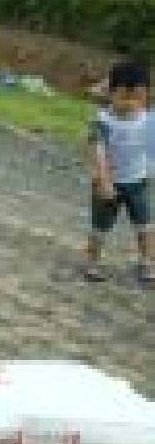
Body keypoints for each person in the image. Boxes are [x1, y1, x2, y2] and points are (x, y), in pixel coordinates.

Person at [86, 61, 153, 282]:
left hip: (138, 182)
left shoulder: (147, 119)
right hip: (108, 182)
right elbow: (98, 151)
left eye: (139, 97)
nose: (132, 103)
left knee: (144, 225)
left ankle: (146, 263)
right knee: (99, 227)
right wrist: (104, 180)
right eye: (126, 96)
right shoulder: (102, 120)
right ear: (111, 93)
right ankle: (92, 263)